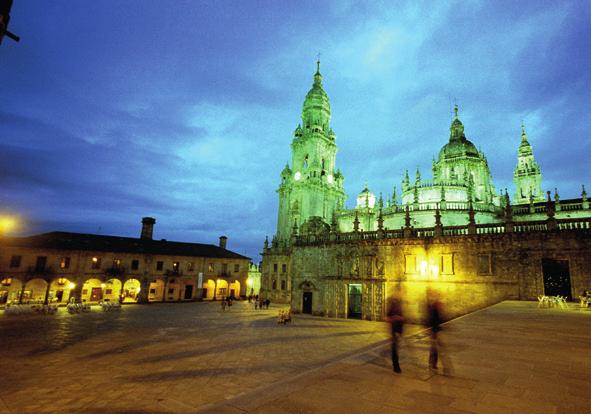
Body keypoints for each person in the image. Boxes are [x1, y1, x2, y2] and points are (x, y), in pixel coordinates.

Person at [386, 287, 404, 373]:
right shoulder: (393, 303)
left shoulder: (400, 302)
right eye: (400, 292)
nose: (402, 294)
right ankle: (396, 366)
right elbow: (388, 316)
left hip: (399, 328)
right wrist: (396, 318)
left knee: (396, 346)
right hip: (394, 328)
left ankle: (396, 365)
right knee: (394, 347)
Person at [425, 288, 443, 371]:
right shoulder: (431, 305)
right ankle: (432, 364)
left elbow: (438, 317)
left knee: (434, 347)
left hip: (435, 328)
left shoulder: (435, 304)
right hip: (433, 329)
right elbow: (430, 318)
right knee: (434, 347)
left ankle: (432, 363)